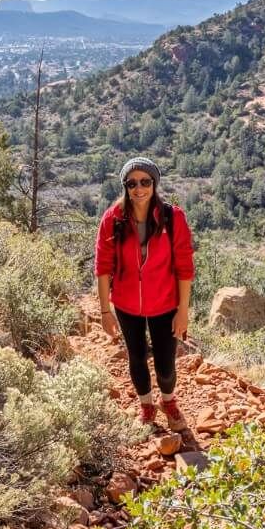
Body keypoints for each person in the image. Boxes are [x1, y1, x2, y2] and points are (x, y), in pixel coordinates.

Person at [94, 156, 195, 431]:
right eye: (132, 183)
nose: (139, 188)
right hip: (127, 305)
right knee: (136, 358)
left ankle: (168, 400)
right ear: (125, 186)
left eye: (145, 182)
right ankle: (146, 405)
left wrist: (183, 311)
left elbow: (184, 267)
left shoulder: (172, 218)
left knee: (165, 366)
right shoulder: (113, 219)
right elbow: (103, 268)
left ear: (155, 183)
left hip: (165, 304)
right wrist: (105, 311)